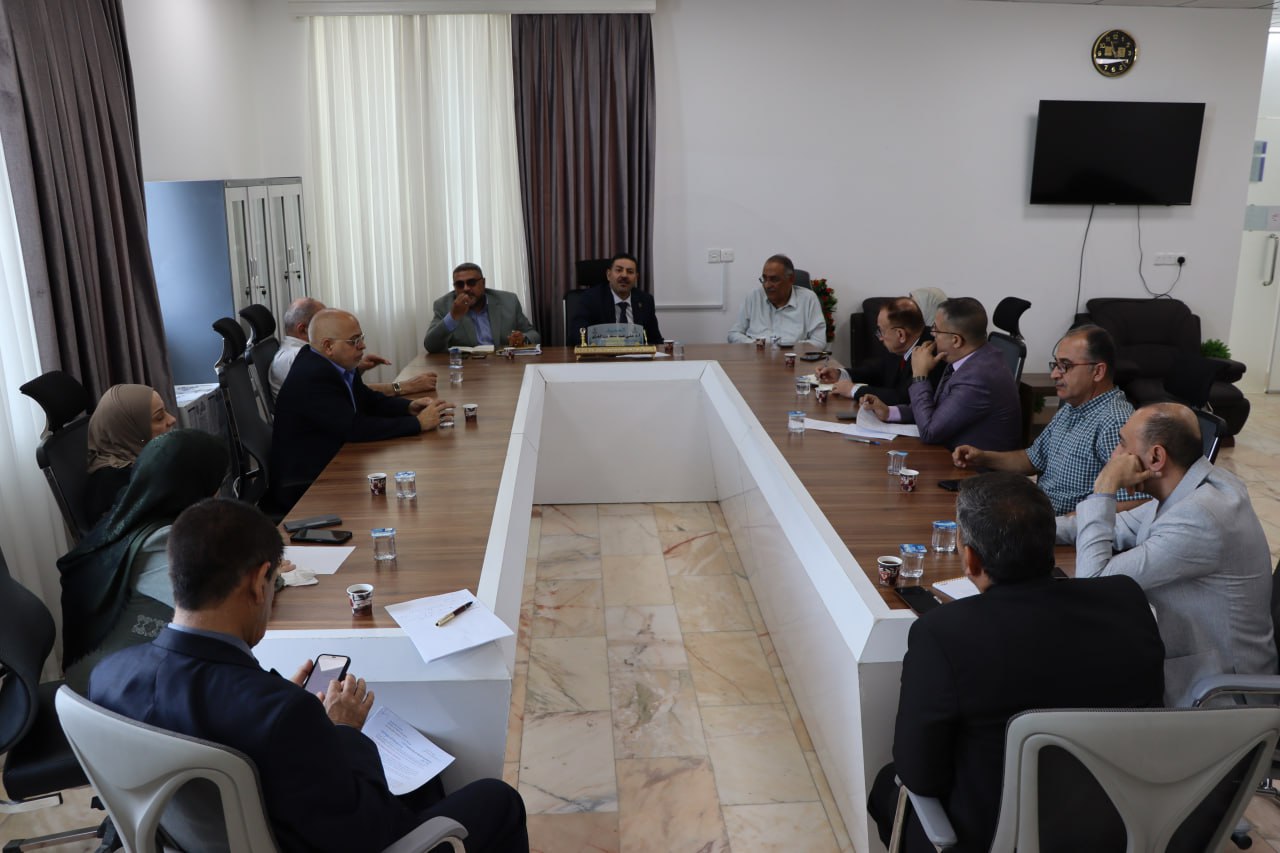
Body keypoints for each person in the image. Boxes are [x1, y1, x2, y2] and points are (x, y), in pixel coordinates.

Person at [89, 498, 528, 853]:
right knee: (497, 799)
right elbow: (366, 835)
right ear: (260, 581)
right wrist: (341, 730)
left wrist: (280, 699)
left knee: (426, 786)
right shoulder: (285, 715)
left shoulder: (107, 678)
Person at [868, 473, 1164, 853]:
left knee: (886, 786)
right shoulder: (1127, 600)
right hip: (1119, 828)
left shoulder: (942, 634)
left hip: (996, 838)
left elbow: (919, 774)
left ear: (970, 559)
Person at [1056, 402, 1277, 705]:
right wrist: (1020, 524)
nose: (1114, 456)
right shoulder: (1191, 488)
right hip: (1195, 672)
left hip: (1221, 701)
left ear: (1156, 457)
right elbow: (1119, 526)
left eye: (1122, 444)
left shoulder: (1200, 517)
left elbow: (1094, 584)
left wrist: (1104, 487)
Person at [59, 429, 229, 693]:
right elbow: (223, 602)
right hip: (114, 696)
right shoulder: (161, 542)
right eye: (217, 483)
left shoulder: (122, 521)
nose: (219, 494)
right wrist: (268, 576)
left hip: (108, 677)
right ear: (197, 487)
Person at [952, 325, 1146, 514]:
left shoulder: (1115, 422)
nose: (1054, 374)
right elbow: (1032, 459)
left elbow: (1135, 502)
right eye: (1056, 365)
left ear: (1098, 372)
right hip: (1039, 513)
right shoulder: (1071, 407)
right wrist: (982, 457)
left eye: (1065, 366)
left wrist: (1069, 522)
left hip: (1064, 529)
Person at [270, 309, 451, 508]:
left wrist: (408, 407)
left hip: (334, 462)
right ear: (328, 346)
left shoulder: (336, 363)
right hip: (307, 484)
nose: (362, 345)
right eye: (354, 341)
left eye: (361, 338)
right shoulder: (313, 376)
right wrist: (417, 424)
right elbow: (354, 428)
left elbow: (367, 399)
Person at [860, 297, 1020, 450]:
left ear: (956, 340)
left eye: (936, 329)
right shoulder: (969, 357)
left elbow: (929, 432)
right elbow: (935, 409)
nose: (932, 334)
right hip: (948, 452)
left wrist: (920, 376)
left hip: (974, 466)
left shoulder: (978, 377)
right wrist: (889, 412)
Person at [270, 297, 436, 400]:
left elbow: (339, 385)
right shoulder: (295, 359)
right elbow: (346, 392)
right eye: (321, 321)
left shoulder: (305, 353)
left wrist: (357, 367)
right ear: (302, 329)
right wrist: (403, 387)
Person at [816, 297, 942, 405]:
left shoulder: (930, 353)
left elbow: (904, 398)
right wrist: (840, 374)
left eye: (881, 331)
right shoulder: (903, 345)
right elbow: (878, 370)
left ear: (900, 334)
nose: (880, 337)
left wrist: (853, 390)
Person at [84, 384, 178, 523]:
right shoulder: (118, 486)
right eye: (159, 417)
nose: (172, 419)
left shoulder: (142, 459)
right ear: (130, 431)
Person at [424, 263, 541, 353]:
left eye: (471, 282)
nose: (466, 288)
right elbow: (430, 346)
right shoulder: (443, 305)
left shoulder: (509, 301)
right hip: (467, 368)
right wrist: (453, 317)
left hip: (503, 366)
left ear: (483, 283)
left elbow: (534, 335)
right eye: (460, 285)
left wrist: (523, 338)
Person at [727, 255, 825, 348]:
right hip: (757, 355)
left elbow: (819, 341)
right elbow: (734, 334)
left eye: (774, 279)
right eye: (764, 279)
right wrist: (755, 345)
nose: (767, 285)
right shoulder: (754, 296)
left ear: (791, 279)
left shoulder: (808, 299)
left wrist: (787, 349)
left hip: (794, 357)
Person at [567, 252, 663, 345]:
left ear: (636, 278)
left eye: (630, 272)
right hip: (602, 354)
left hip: (637, 354)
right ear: (609, 275)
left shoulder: (646, 300)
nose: (624, 275)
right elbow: (577, 335)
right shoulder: (590, 298)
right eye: (619, 270)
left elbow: (655, 339)